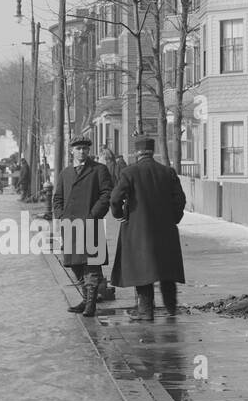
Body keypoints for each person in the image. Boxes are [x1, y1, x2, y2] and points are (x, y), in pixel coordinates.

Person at [109, 135, 186, 322]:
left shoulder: (129, 172)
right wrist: (173, 219)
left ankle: (146, 312)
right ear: (152, 152)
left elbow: (115, 199)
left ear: (137, 153)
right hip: (166, 231)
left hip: (138, 231)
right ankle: (171, 309)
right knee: (167, 272)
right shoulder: (168, 172)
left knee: (143, 273)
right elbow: (180, 199)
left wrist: (120, 215)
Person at [54, 136, 113, 317]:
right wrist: (61, 216)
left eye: (85, 149)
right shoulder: (65, 173)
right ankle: (85, 298)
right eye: (78, 148)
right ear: (72, 150)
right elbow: (57, 198)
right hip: (70, 225)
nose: (82, 152)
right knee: (75, 264)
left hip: (90, 224)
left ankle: (91, 304)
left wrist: (93, 215)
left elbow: (106, 194)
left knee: (91, 265)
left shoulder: (99, 170)